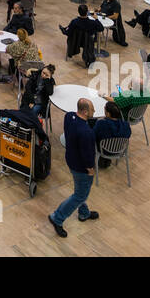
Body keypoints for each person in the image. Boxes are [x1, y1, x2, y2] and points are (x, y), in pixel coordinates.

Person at [48, 98, 98, 238]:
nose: (94, 111)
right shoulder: (86, 132)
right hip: (81, 168)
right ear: (85, 111)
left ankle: (84, 213)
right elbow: (87, 155)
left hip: (71, 159)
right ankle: (57, 218)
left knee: (81, 190)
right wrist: (90, 169)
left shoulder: (69, 116)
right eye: (92, 110)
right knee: (80, 195)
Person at [91, 101, 131, 168]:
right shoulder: (126, 125)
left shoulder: (101, 124)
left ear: (108, 114)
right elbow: (128, 135)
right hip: (119, 150)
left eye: (105, 109)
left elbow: (92, 135)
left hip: (103, 150)